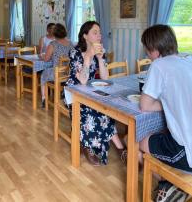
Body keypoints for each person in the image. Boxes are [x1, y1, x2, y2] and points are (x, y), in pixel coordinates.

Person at [139, 24, 192, 202]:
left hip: (188, 150)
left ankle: (170, 185)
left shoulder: (159, 65)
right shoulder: (188, 59)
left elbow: (145, 105)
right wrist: (171, 101)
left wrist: (167, 102)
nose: (146, 53)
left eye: (146, 48)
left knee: (140, 143)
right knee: (163, 132)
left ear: (154, 49)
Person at [65, 21, 126, 166]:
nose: (99, 35)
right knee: (92, 110)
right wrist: (88, 57)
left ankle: (119, 148)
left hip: (91, 91)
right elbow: (82, 81)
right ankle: (88, 146)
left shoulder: (99, 51)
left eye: (99, 32)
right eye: (95, 32)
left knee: (106, 108)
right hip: (74, 92)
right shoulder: (75, 52)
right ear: (85, 36)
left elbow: (105, 78)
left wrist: (99, 58)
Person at [41, 23, 73, 106]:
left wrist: (42, 55)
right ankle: (63, 94)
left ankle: (44, 98)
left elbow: (46, 59)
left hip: (57, 74)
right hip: (69, 74)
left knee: (43, 74)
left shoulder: (53, 44)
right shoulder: (70, 43)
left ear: (54, 33)